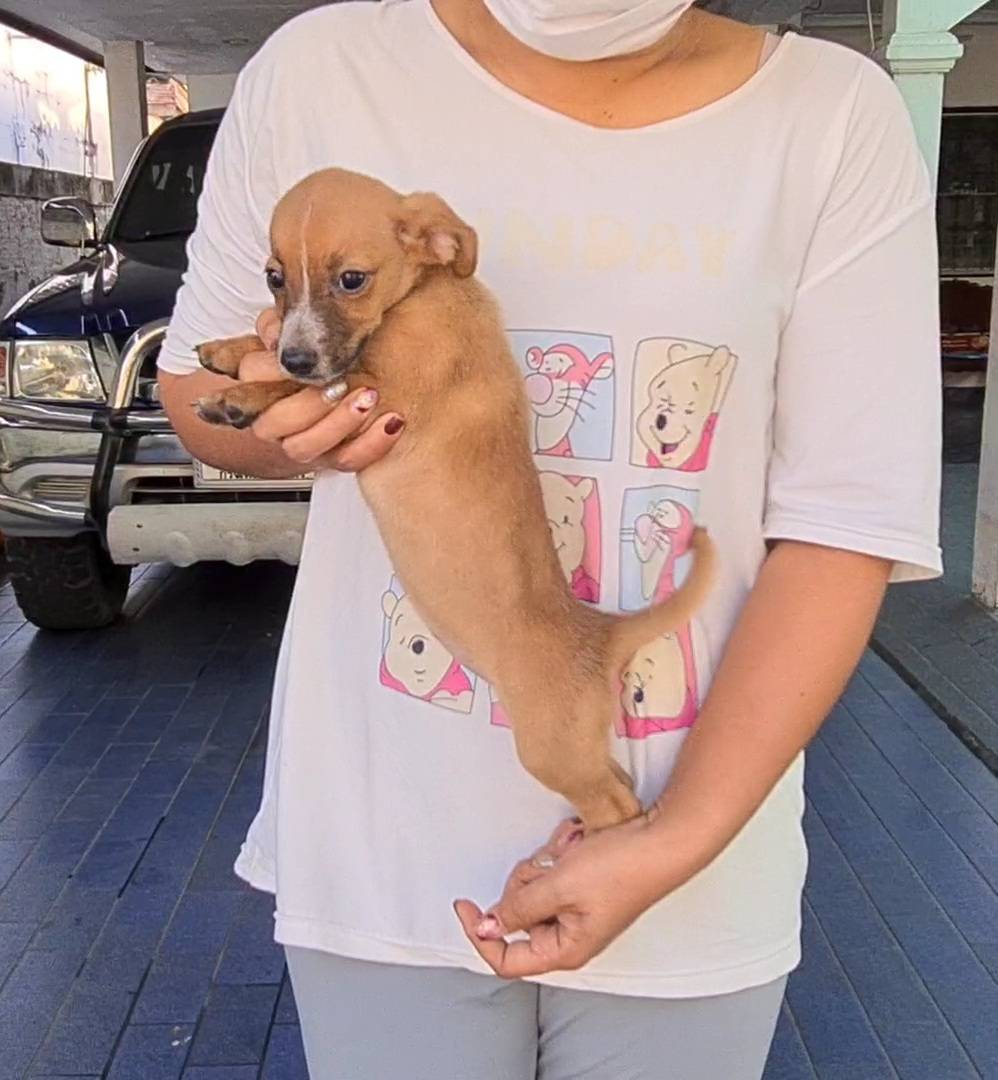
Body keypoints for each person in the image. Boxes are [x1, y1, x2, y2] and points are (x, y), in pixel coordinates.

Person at [157, 1, 942, 1076]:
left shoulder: (832, 112)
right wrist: (280, 423)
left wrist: (672, 840)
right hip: (379, 839)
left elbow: (845, 523)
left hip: (689, 854)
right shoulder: (317, 67)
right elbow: (199, 398)